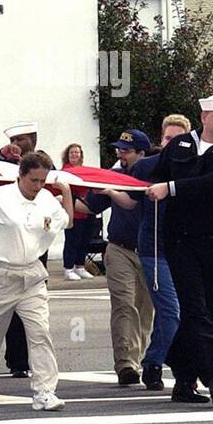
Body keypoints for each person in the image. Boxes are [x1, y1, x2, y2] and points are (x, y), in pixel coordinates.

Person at [145, 94, 213, 405]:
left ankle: (183, 379)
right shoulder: (179, 146)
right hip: (179, 239)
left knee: (207, 310)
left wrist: (174, 188)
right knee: (194, 307)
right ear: (203, 117)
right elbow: (155, 177)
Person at [0, 151, 74, 411]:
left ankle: (45, 391)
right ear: (20, 176)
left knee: (40, 332)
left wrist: (65, 192)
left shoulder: (46, 199)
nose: (38, 186)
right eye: (33, 180)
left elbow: (65, 222)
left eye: (43, 181)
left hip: (32, 275)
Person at [83, 130, 154, 385]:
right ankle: (126, 364)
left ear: (142, 154)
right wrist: (58, 196)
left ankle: (143, 358)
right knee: (124, 305)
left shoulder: (154, 180)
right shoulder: (115, 177)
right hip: (119, 248)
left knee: (146, 310)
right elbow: (88, 206)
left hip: (149, 251)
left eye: (126, 150)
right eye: (119, 150)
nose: (120, 154)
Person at [127, 115, 190, 391]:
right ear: (161, 139)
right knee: (170, 310)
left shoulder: (193, 167)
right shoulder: (145, 167)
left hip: (184, 248)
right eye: (167, 138)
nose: (172, 143)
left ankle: (153, 360)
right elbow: (129, 200)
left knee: (181, 311)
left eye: (178, 139)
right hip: (155, 248)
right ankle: (170, 364)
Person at [0, 123, 41, 378]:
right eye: (13, 139)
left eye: (22, 139)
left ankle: (21, 361)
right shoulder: (1, 163)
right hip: (5, 249)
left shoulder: (42, 165)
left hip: (32, 249)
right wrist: (0, 155)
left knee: (31, 314)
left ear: (33, 140)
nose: (17, 143)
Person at [60, 143, 97, 280]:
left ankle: (80, 266)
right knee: (72, 239)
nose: (74, 155)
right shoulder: (64, 171)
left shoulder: (84, 170)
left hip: (87, 209)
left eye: (77, 152)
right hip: (74, 210)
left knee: (85, 239)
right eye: (72, 153)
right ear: (67, 156)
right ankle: (68, 268)